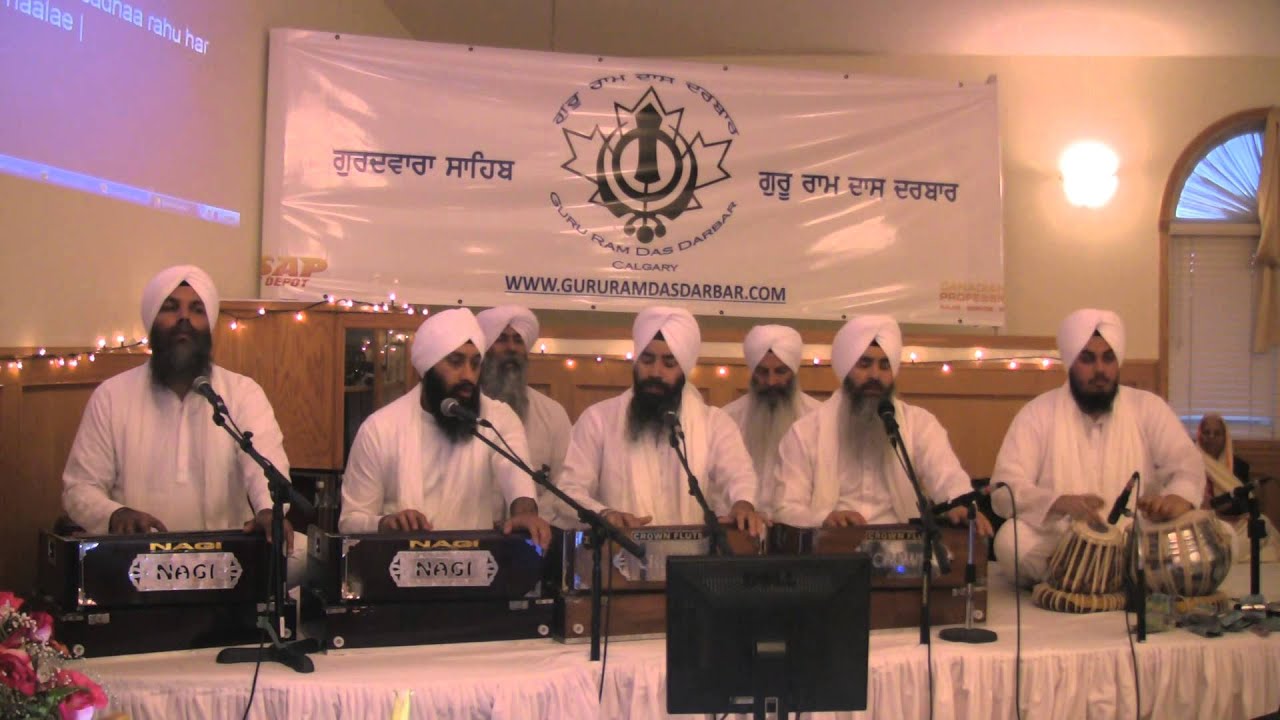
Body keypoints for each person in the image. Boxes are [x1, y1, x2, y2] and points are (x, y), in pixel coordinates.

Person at [62, 265, 295, 554]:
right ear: (152, 321)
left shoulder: (242, 393)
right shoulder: (111, 396)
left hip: (225, 569)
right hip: (132, 567)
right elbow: (79, 488)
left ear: (208, 324)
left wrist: (267, 510)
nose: (184, 318)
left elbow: (266, 468)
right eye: (171, 308)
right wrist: (114, 514)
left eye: (197, 309)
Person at [990, 309, 1202, 585]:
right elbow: (1004, 488)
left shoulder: (1148, 407)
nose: (1100, 370)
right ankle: (1111, 577)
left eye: (1108, 358)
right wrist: (1056, 502)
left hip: (1136, 541)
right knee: (1010, 540)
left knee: (1223, 534)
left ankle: (1084, 579)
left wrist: (1177, 497)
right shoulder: (1037, 413)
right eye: (1088, 359)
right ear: (1071, 362)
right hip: (1065, 543)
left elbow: (1187, 463)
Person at [340, 308, 552, 547]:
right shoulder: (380, 428)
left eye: (475, 364)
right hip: (397, 571)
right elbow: (350, 521)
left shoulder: (496, 418)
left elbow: (516, 474)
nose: (469, 376)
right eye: (456, 362)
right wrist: (385, 524)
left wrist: (525, 512)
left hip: (476, 572)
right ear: (428, 367)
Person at [555, 306, 766, 536]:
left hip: (691, 565)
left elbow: (739, 476)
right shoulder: (598, 420)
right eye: (647, 359)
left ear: (684, 368)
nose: (656, 372)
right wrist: (604, 514)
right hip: (619, 562)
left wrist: (743, 504)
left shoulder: (714, 423)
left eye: (668, 363)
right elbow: (568, 491)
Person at [771, 315, 989, 535]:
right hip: (834, 546)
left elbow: (946, 474)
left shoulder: (919, 424)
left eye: (885, 366)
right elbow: (785, 508)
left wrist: (959, 503)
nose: (875, 375)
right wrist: (824, 518)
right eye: (864, 364)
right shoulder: (806, 432)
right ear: (846, 368)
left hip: (903, 543)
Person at [476, 305, 572, 521]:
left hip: (535, 536)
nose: (512, 348)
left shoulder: (552, 413)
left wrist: (528, 520)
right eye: (501, 339)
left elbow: (564, 485)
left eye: (518, 340)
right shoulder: (463, 411)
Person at [721, 325, 821, 515]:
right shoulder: (727, 419)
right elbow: (716, 487)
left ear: (793, 371)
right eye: (763, 372)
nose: (771, 381)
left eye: (780, 371)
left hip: (800, 532)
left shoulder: (818, 419)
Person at [1197, 413, 1278, 563]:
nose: (1211, 438)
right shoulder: (1190, 462)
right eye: (1206, 432)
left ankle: (1221, 556)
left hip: (1232, 523)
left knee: (1263, 523)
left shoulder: (1239, 466)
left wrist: (1223, 508)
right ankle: (1221, 556)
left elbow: (1246, 505)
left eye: (1217, 433)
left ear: (1225, 437)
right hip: (1203, 525)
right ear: (1199, 435)